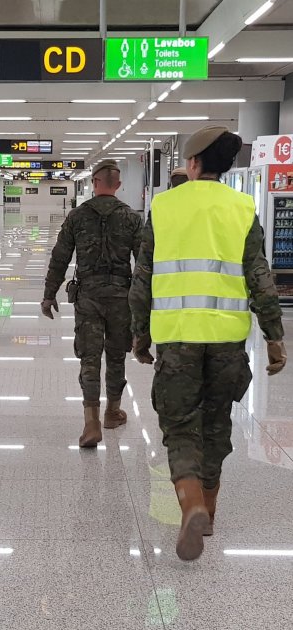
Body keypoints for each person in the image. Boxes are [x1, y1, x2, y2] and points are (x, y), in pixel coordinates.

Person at [129, 126, 287, 562]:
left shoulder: (163, 206)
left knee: (180, 426)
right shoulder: (242, 206)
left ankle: (191, 502)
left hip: (177, 336)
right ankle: (209, 513)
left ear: (193, 163)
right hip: (227, 339)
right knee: (216, 425)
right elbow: (260, 275)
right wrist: (275, 336)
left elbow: (143, 278)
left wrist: (140, 334)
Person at [42, 159, 143, 448]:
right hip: (121, 297)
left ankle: (91, 423)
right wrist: (143, 302)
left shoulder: (77, 216)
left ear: (95, 183)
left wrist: (49, 295)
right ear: (118, 185)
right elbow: (144, 265)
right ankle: (112, 412)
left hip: (88, 296)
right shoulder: (132, 218)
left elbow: (60, 257)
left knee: (89, 357)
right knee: (116, 357)